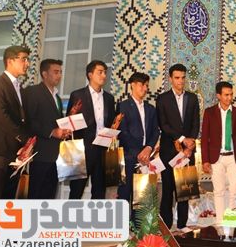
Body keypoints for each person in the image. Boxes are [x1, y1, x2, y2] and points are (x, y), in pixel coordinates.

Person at [0, 45, 31, 199]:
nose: (28, 63)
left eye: (28, 60)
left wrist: (27, 145)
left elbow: (24, 120)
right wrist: (23, 138)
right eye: (24, 59)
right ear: (10, 61)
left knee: (8, 200)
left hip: (16, 154)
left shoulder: (21, 89)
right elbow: (0, 117)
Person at [157, 63, 200, 230]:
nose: (180, 81)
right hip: (169, 150)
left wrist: (190, 143)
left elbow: (196, 123)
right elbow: (164, 124)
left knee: (184, 190)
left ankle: (182, 226)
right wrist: (182, 139)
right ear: (170, 79)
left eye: (183, 77)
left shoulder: (192, 98)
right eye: (177, 78)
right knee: (168, 190)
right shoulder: (162, 99)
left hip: (188, 151)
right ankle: (166, 227)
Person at [67, 60, 116, 199]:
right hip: (82, 150)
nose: (104, 76)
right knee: (76, 191)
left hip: (102, 150)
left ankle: (96, 214)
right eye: (100, 72)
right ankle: (70, 214)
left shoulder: (109, 98)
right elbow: (70, 122)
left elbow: (111, 123)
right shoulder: (77, 95)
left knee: (99, 191)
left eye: (105, 72)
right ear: (90, 75)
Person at [25, 59, 71, 199]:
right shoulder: (33, 92)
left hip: (56, 155)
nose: (59, 75)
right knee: (36, 195)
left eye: (60, 72)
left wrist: (64, 131)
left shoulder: (57, 97)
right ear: (44, 74)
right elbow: (29, 121)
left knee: (50, 195)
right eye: (56, 72)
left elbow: (56, 122)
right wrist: (51, 132)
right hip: (40, 153)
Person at [201, 81, 236, 225]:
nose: (229, 98)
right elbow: (205, 137)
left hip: (233, 157)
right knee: (218, 191)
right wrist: (205, 160)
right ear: (218, 96)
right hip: (216, 158)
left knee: (234, 191)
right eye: (226, 95)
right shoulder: (210, 112)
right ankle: (220, 223)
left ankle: (231, 222)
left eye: (231, 94)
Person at [117, 72, 160, 206]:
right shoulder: (122, 106)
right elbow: (122, 132)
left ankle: (139, 221)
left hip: (146, 158)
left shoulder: (151, 108)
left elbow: (155, 131)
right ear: (133, 85)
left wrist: (148, 149)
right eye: (142, 85)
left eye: (146, 85)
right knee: (125, 195)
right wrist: (139, 154)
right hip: (128, 157)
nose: (145, 88)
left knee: (143, 199)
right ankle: (123, 220)